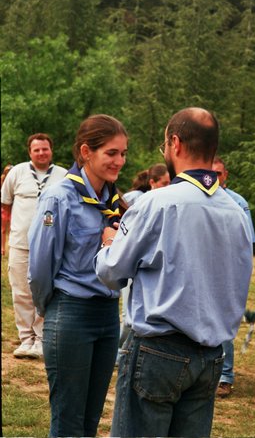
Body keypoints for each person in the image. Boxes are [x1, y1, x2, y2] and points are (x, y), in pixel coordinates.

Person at [95, 107, 253, 438]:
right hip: (211, 356)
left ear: (175, 143)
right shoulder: (236, 211)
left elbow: (112, 273)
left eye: (164, 144)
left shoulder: (157, 203)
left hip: (158, 351)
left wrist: (109, 243)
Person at [28, 114, 128, 438]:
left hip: (108, 316)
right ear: (86, 152)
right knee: (68, 422)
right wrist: (50, 310)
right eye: (111, 153)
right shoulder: (59, 197)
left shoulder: (114, 202)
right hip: (71, 312)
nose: (119, 161)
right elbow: (41, 266)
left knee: (90, 420)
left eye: (123, 153)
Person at [1, 135, 67, 359]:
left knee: (44, 290)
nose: (41, 153)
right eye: (37, 150)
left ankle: (41, 338)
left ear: (51, 150)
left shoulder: (63, 176)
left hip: (50, 245)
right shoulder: (16, 172)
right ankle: (25, 338)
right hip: (20, 244)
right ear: (30, 152)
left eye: (45, 149)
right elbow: (6, 205)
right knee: (20, 291)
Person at [212, 156, 255, 398]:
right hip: (203, 270)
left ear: (225, 175)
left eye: (219, 173)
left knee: (224, 323)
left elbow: (246, 244)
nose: (216, 178)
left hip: (227, 272)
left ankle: (225, 376)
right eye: (212, 173)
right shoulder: (200, 198)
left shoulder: (238, 202)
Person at [117, 162, 170, 362]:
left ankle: (125, 352)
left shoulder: (166, 200)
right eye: (163, 183)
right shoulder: (135, 199)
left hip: (149, 263)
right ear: (152, 183)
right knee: (128, 314)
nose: (167, 187)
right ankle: (120, 352)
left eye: (169, 183)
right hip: (131, 259)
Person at [1, 164, 13, 255]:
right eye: (8, 171)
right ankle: (2, 248)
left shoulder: (15, 180)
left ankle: (11, 246)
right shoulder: (2, 178)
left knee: (12, 228)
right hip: (4, 207)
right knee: (3, 229)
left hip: (13, 207)